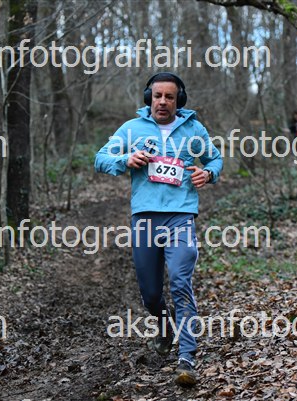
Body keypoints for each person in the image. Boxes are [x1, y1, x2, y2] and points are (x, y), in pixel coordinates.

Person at [94, 72, 223, 386]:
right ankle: (165, 327)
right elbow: (100, 158)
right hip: (145, 218)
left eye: (169, 96)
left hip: (181, 216)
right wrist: (126, 159)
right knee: (151, 295)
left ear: (179, 100)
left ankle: (187, 358)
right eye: (157, 96)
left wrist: (208, 174)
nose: (163, 102)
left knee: (180, 282)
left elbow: (215, 159)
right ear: (148, 98)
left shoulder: (193, 129)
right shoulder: (132, 129)